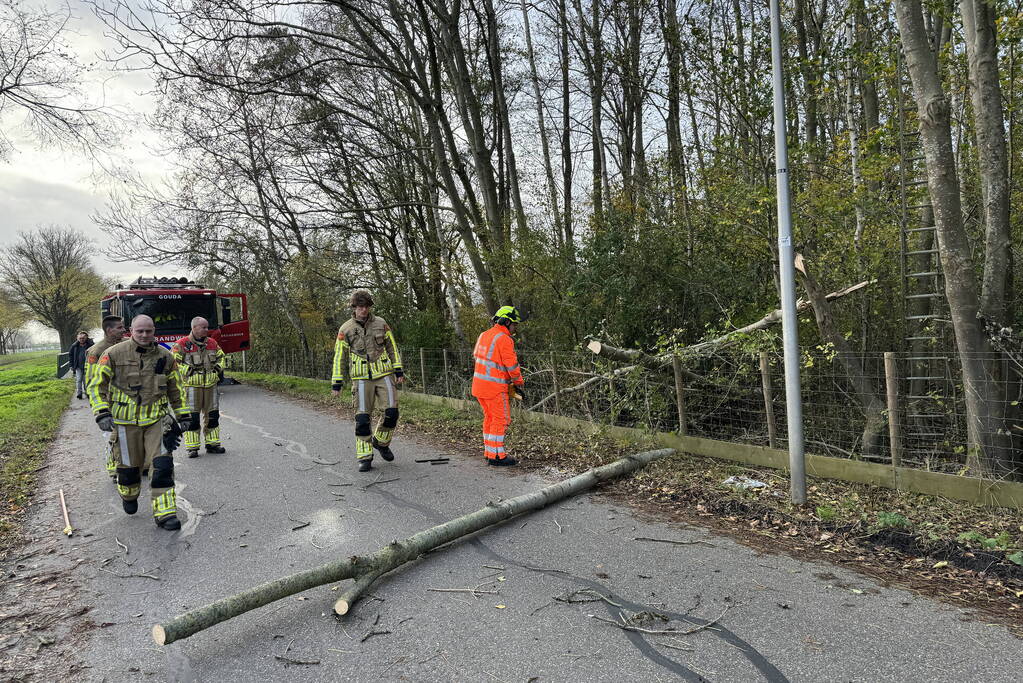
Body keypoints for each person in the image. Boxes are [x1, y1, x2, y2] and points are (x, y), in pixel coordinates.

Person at [87, 315, 191, 530]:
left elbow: (176, 389)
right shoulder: (113, 354)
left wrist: (183, 415)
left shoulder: (166, 356)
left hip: (157, 422)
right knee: (128, 471)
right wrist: (102, 412)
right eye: (140, 331)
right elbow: (96, 385)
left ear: (154, 331)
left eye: (149, 331)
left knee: (162, 467)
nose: (144, 335)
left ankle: (165, 513)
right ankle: (129, 495)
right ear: (131, 331)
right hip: (125, 424)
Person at [331, 290, 404, 472]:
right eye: (360, 307)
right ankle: (365, 457)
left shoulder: (381, 323)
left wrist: (398, 369)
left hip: (384, 373)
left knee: (392, 413)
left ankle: (381, 442)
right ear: (354, 308)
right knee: (363, 419)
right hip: (361, 379)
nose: (363, 310)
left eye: (366, 307)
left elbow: (392, 347)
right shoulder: (345, 329)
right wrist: (337, 383)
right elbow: (339, 357)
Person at [471, 306, 525, 467]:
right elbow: (512, 365)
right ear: (507, 322)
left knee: (489, 418)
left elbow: (478, 357)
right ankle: (498, 455)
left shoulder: (484, 335)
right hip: (494, 388)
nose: (515, 328)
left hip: (479, 386)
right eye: (514, 324)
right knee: (501, 419)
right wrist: (518, 383)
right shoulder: (504, 339)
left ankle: (489, 452)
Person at [171, 317, 226, 458]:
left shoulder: (212, 343)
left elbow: (222, 357)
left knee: (213, 416)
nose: (207, 330)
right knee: (193, 418)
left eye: (207, 327)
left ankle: (213, 444)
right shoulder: (181, 344)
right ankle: (192, 448)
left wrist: (217, 370)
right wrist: (189, 372)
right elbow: (173, 363)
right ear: (194, 328)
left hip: (211, 386)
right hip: (191, 387)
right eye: (204, 327)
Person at [85, 316, 126, 480]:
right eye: (120, 328)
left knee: (128, 434)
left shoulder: (126, 345)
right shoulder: (96, 351)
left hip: (127, 398)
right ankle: (114, 468)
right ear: (109, 330)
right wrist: (100, 409)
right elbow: (91, 380)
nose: (124, 330)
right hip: (109, 400)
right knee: (112, 436)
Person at [67, 330, 94, 399]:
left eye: (83, 338)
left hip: (87, 366)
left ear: (86, 338)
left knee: (86, 381)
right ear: (77, 338)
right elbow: (70, 355)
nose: (81, 340)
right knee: (79, 380)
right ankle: (79, 393)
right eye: (80, 338)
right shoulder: (74, 346)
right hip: (78, 366)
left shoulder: (91, 345)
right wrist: (71, 365)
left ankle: (87, 393)